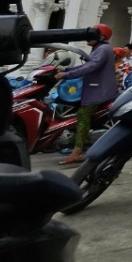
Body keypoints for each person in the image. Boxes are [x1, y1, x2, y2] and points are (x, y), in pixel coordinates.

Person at [54, 23, 117, 165]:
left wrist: (65, 75)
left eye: (91, 35)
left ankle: (77, 152)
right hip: (94, 89)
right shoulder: (99, 48)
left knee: (83, 114)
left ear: (100, 36)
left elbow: (91, 66)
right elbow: (85, 65)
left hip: (100, 91)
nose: (87, 38)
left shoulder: (103, 49)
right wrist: (66, 70)